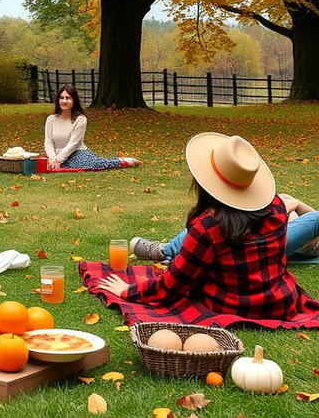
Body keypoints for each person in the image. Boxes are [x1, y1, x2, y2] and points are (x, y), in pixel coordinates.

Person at [98, 132, 319, 321]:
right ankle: (165, 251)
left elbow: (173, 286)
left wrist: (129, 291)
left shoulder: (207, 227)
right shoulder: (277, 207)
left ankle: (165, 251)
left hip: (230, 306)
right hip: (281, 302)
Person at [130, 193, 319, 262]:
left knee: (221, 221)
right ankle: (167, 250)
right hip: (286, 239)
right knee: (230, 219)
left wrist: (295, 203)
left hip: (282, 243)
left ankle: (165, 250)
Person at [44, 86, 140, 171]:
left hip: (77, 153)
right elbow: (48, 142)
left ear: (74, 101)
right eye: (62, 98)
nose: (64, 101)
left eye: (68, 98)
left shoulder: (80, 119)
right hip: (56, 155)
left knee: (91, 164)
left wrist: (58, 160)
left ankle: (123, 161)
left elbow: (74, 143)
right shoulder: (51, 119)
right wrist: (53, 159)